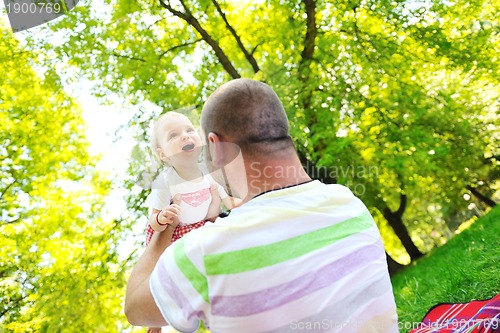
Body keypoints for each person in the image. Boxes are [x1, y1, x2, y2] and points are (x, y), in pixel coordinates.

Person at [125, 79, 399, 333]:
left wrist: (164, 231)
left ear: (216, 147)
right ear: (280, 127)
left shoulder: (205, 251)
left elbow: (134, 308)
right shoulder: (349, 203)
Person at [143, 111, 241, 333]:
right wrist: (161, 218)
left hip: (200, 227)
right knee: (163, 274)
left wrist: (242, 204)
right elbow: (153, 219)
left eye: (189, 130)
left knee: (217, 255)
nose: (185, 136)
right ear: (163, 154)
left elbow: (227, 200)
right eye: (174, 135)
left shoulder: (207, 173)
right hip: (173, 232)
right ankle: (156, 317)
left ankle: (221, 301)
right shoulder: (165, 181)